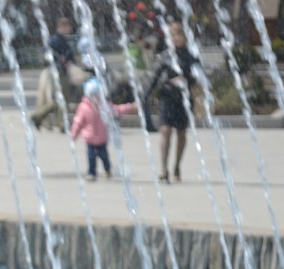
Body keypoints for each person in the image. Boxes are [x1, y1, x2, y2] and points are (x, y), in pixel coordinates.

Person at [145, 20, 200, 182]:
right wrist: (144, 97)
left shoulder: (191, 56)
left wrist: (187, 80)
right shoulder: (165, 56)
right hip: (167, 97)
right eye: (172, 35)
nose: (176, 38)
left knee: (181, 134)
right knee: (165, 131)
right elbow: (154, 78)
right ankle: (163, 168)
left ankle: (176, 166)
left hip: (183, 99)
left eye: (178, 34)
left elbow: (198, 77)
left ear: (185, 36)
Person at [71, 78, 135, 181]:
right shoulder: (83, 107)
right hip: (90, 139)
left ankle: (107, 169)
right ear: (87, 95)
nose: (94, 98)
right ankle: (92, 173)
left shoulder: (105, 106)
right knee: (91, 157)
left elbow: (117, 110)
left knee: (104, 156)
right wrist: (73, 135)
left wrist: (130, 107)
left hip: (102, 139)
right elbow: (78, 122)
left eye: (96, 95)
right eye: (92, 95)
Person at [32, 18, 81, 130]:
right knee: (61, 98)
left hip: (60, 71)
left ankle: (53, 121)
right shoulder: (55, 40)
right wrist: (59, 59)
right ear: (61, 27)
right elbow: (47, 53)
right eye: (67, 27)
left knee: (62, 99)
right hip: (58, 72)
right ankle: (42, 117)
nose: (69, 29)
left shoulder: (61, 39)